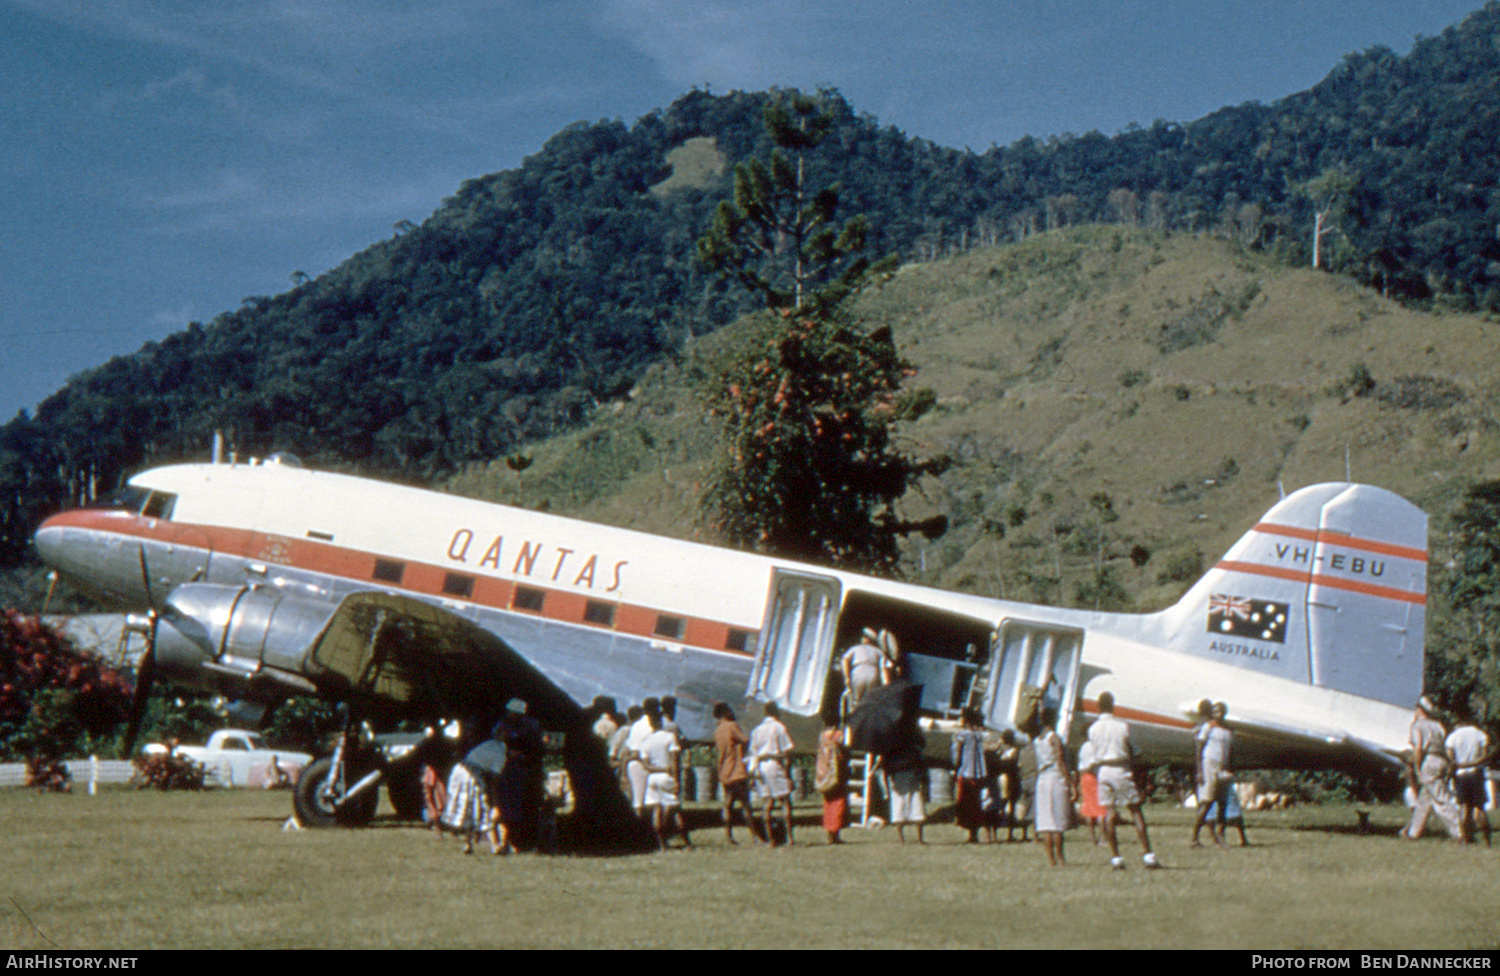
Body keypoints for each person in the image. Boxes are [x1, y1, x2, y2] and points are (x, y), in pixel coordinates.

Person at [1087, 691, 1158, 869]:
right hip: (1120, 767)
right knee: (1135, 810)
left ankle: (1116, 857)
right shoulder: (1122, 726)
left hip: (1102, 769)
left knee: (1109, 813)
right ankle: (1148, 854)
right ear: (1113, 705)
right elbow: (1135, 750)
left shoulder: (1093, 729)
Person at [1404, 696, 1462, 842]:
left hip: (1429, 760)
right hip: (1442, 759)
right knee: (1425, 799)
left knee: (1441, 799)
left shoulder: (1417, 726)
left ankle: (1459, 832)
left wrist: (1417, 768)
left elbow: (1418, 749)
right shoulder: (1438, 725)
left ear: (1419, 710)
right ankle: (1413, 832)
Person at [1031, 707, 1075, 867]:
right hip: (1055, 776)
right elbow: (1061, 761)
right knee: (1057, 820)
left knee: (1046, 822)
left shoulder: (1037, 740)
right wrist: (1070, 783)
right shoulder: (1054, 738)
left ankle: (1051, 859)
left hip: (1042, 778)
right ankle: (1060, 857)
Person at [713, 702, 760, 844]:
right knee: (746, 805)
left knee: (728, 805)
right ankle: (755, 836)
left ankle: (728, 835)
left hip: (724, 770)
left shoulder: (718, 730)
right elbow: (745, 740)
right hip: (736, 770)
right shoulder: (731, 726)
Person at [750, 701, 796, 846]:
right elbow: (787, 749)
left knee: (767, 802)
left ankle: (770, 839)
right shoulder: (778, 727)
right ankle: (789, 838)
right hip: (774, 763)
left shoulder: (756, 730)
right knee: (785, 801)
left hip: (761, 765)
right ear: (776, 713)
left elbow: (753, 752)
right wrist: (788, 773)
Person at [1446, 709, 1493, 846]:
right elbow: (1484, 756)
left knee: (1463, 808)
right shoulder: (1480, 734)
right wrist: (1472, 763)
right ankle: (1487, 840)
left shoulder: (1453, 736)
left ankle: (1464, 838)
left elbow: (1450, 756)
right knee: (1480, 808)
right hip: (1475, 773)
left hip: (1461, 774)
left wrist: (1459, 765)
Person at [1190, 701, 1233, 848]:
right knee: (1207, 801)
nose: (1217, 714)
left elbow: (1228, 750)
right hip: (1209, 764)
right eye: (1215, 712)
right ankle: (1194, 837)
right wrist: (1200, 771)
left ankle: (1220, 836)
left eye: (1220, 711)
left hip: (1222, 765)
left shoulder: (1228, 729)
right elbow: (1199, 749)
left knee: (1223, 802)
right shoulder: (1208, 727)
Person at [639, 706, 684, 850]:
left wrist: (656, 769)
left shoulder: (646, 741)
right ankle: (681, 838)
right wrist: (675, 777)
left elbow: (645, 765)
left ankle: (661, 842)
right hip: (667, 775)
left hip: (652, 777)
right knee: (675, 809)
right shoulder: (670, 737)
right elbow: (674, 760)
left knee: (656, 811)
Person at [950, 706, 988, 843]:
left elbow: (958, 754)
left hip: (965, 772)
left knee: (965, 803)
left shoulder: (962, 735)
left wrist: (954, 768)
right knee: (975, 804)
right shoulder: (978, 735)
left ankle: (970, 832)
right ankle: (974, 832)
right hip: (977, 773)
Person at [815, 712, 850, 844]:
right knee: (838, 802)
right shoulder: (839, 735)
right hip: (837, 771)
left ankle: (829, 832)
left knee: (828, 802)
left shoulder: (822, 736)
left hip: (824, 771)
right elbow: (844, 749)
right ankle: (835, 833)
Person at [840, 627, 889, 711]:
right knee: (870, 702)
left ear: (866, 639)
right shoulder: (879, 651)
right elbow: (884, 667)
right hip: (874, 674)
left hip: (859, 672)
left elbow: (844, 660)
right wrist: (886, 685)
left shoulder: (855, 648)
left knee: (856, 701)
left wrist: (846, 677)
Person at [1075, 737, 1103, 846]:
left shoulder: (1083, 747)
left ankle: (1092, 838)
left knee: (1088, 808)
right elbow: (1092, 764)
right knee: (1101, 809)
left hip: (1084, 777)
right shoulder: (1095, 746)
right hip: (1095, 777)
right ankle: (1103, 837)